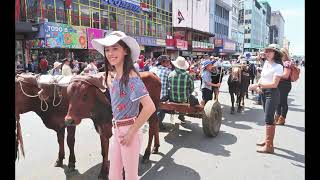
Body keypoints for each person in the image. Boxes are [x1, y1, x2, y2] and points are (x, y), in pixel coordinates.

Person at [92, 31, 156, 180]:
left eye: (115, 48)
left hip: (129, 131)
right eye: (107, 49)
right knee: (114, 175)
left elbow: (149, 107)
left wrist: (131, 132)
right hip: (117, 130)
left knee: (131, 177)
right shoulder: (115, 76)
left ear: (125, 51)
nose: (110, 53)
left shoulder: (131, 77)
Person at [249, 44, 283, 154]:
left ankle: (269, 146)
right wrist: (257, 85)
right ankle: (268, 141)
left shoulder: (278, 66)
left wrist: (259, 86)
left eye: (270, 51)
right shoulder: (267, 63)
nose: (267, 53)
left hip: (272, 93)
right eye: (266, 51)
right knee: (268, 117)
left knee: (268, 118)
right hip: (264, 92)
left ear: (275, 53)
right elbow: (262, 78)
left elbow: (274, 84)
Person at [168, 56, 198, 123]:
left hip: (172, 98)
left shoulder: (170, 74)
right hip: (184, 99)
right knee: (193, 98)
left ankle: (181, 115)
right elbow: (192, 89)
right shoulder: (188, 76)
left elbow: (169, 86)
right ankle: (182, 115)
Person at [149, 55, 172, 130]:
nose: (169, 63)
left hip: (150, 95)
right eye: (167, 61)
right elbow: (170, 84)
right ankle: (158, 123)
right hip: (162, 95)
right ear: (162, 62)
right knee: (161, 108)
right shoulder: (167, 71)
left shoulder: (152, 69)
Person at [274, 48, 292, 125]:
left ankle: (282, 118)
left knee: (283, 102)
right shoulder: (280, 63)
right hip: (279, 84)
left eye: (281, 54)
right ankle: (277, 117)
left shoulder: (287, 63)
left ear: (285, 54)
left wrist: (275, 75)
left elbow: (285, 75)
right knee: (278, 102)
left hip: (284, 85)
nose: (280, 55)